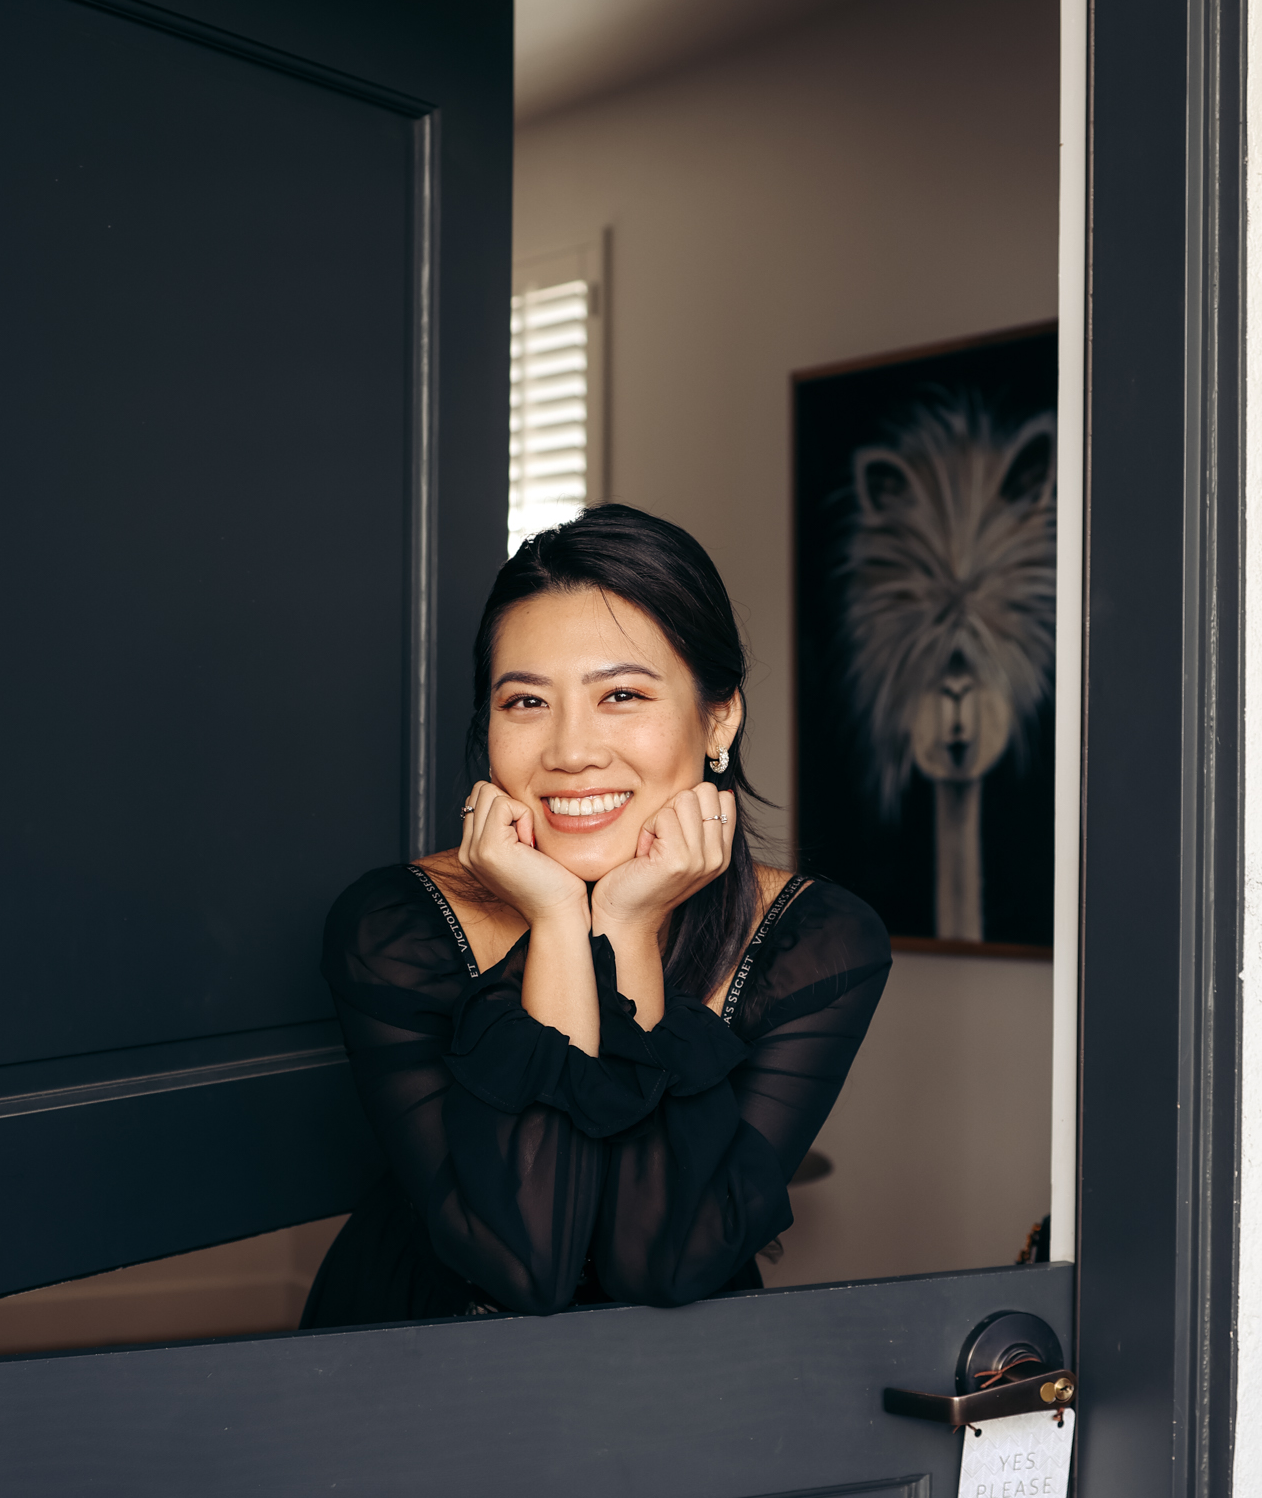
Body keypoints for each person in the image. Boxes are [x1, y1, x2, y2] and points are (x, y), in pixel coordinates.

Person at [302, 504, 891, 1328]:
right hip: (407, 1379)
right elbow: (527, 1264)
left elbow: (661, 1259)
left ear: (719, 717)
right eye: (526, 703)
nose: (571, 751)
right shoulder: (393, 926)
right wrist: (554, 920)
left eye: (621, 694)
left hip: (679, 1405)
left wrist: (625, 929)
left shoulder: (814, 940)